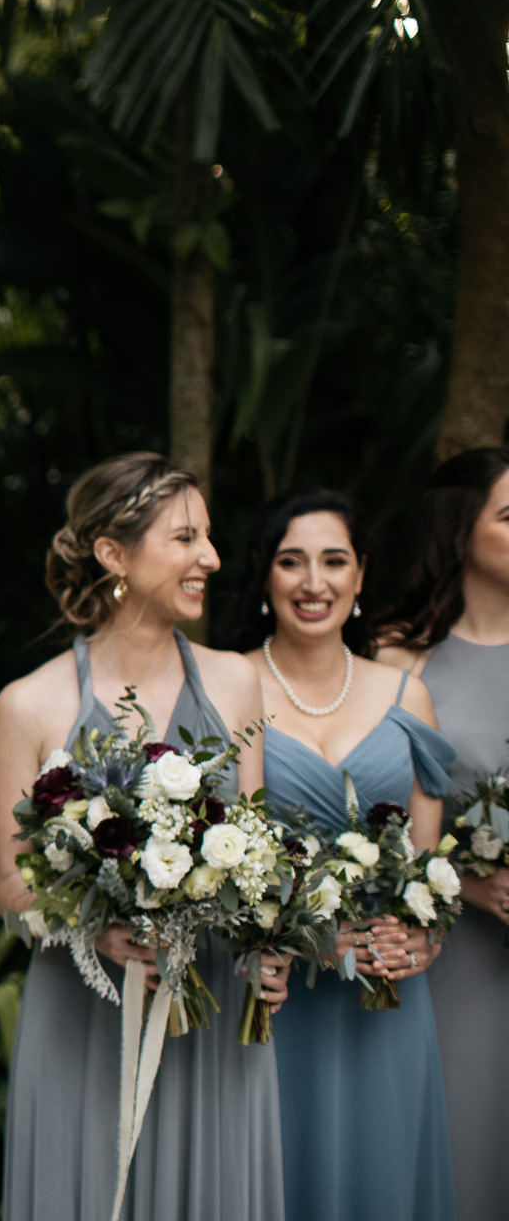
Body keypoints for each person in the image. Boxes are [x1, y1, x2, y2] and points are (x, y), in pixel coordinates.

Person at [0, 452, 288, 1221]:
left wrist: (267, 945)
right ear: (114, 554)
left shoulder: (234, 682)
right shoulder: (29, 705)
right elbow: (12, 888)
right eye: (185, 539)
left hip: (212, 1012)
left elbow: (254, 845)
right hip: (85, 1019)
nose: (211, 560)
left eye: (209, 538)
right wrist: (97, 925)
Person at [224, 489, 454, 1221]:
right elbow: (232, 857)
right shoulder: (233, 688)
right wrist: (316, 941)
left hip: (385, 999)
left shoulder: (406, 694)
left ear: (360, 578)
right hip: (282, 993)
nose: (313, 582)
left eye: (333, 561)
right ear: (266, 577)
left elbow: (427, 865)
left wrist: (427, 937)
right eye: (291, 562)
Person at [375, 448, 509, 1221]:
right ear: (459, 531)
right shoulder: (400, 657)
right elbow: (367, 820)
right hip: (452, 958)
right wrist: (465, 880)